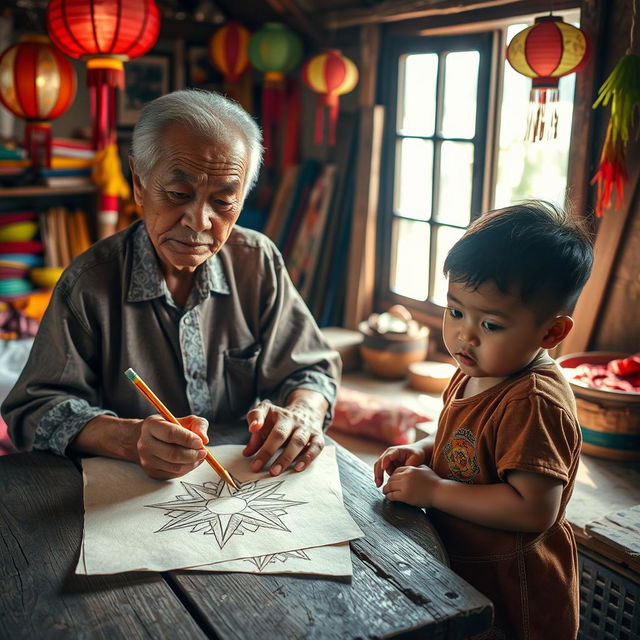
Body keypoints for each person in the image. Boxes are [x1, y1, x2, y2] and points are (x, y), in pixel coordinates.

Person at [2, 89, 340, 481]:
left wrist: (302, 413)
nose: (199, 221)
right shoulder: (90, 282)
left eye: (224, 200)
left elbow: (312, 369)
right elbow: (33, 409)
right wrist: (128, 438)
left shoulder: (257, 262)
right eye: (179, 194)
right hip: (125, 496)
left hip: (245, 481)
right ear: (140, 183)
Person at [373, 201, 594, 639]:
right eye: (455, 312)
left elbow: (534, 508)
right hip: (466, 567)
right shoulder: (477, 367)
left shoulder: (532, 402)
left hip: (515, 589)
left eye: (490, 324)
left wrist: (435, 490)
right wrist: (425, 450)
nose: (464, 335)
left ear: (551, 333)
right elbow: (463, 437)